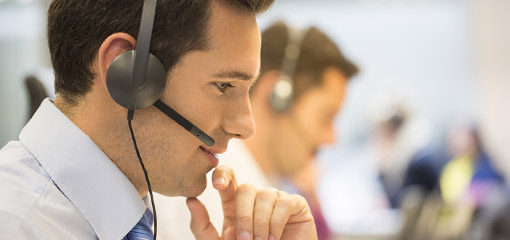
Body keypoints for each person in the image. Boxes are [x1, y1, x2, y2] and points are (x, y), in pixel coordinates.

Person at [0, 1, 320, 240]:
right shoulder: (15, 224)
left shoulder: (141, 215)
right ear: (126, 72)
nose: (246, 127)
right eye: (224, 86)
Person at [157, 21, 359, 240]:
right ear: (278, 97)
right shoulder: (215, 195)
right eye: (326, 117)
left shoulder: (268, 191)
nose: (332, 139)